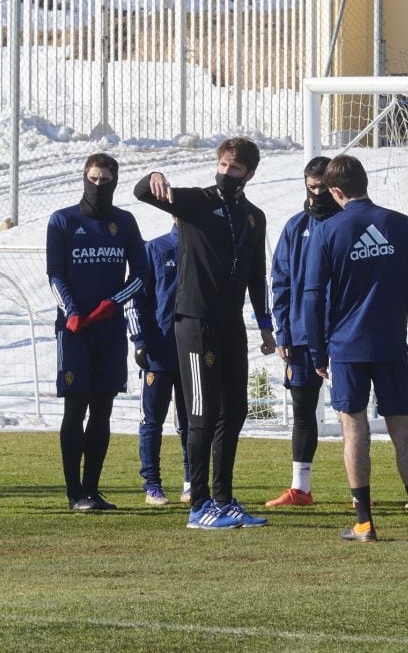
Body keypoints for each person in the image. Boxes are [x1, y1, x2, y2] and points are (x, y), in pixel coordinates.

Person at [134, 137, 275, 530]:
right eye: (223, 165)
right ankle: (198, 505)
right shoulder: (195, 201)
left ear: (250, 173)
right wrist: (154, 176)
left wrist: (265, 325)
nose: (227, 173)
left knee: (235, 411)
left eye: (236, 169)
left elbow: (255, 276)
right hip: (194, 322)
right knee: (200, 412)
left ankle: (224, 499)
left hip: (231, 324)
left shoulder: (254, 217)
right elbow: (142, 191)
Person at [304, 154, 408, 543]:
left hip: (347, 347)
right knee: (402, 429)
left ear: (335, 191)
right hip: (391, 345)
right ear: (366, 182)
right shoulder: (399, 224)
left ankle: (364, 522)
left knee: (354, 429)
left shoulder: (328, 230)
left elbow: (313, 296)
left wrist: (317, 352)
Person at [48, 153, 150, 511]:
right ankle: (74, 492)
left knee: (102, 409)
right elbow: (55, 274)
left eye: (105, 180)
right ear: (83, 178)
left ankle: (93, 489)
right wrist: (72, 312)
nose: (98, 185)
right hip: (74, 330)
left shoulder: (124, 222)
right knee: (75, 408)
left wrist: (114, 303)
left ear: (115, 181)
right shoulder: (62, 221)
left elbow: (140, 275)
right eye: (92, 178)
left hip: (109, 330)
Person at [265, 155, 340, 508]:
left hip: (343, 335)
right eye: (310, 188)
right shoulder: (295, 227)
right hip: (300, 337)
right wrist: (282, 332)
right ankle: (301, 488)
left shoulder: (346, 223)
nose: (315, 195)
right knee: (303, 411)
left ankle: (362, 490)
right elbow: (280, 281)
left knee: (353, 412)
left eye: (322, 189)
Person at [130, 221, 191, 506]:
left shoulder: (204, 249)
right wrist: (140, 340)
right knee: (152, 421)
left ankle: (192, 481)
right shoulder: (154, 249)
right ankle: (152, 485)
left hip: (193, 351)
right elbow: (135, 298)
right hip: (158, 352)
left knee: (193, 422)